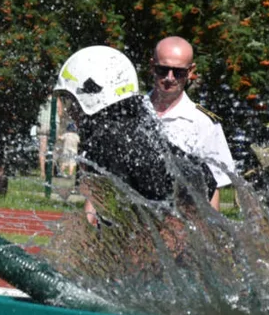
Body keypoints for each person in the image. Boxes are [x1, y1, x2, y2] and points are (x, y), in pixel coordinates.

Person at [52, 45, 216, 224]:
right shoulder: (127, 129)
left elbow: (175, 210)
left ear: (92, 96)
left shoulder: (115, 141)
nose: (70, 110)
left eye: (72, 101)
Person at [148, 36, 235, 211]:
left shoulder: (204, 123)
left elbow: (212, 189)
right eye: (162, 70)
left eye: (178, 72)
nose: (169, 78)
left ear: (190, 71)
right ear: (152, 66)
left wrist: (211, 234)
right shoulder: (131, 112)